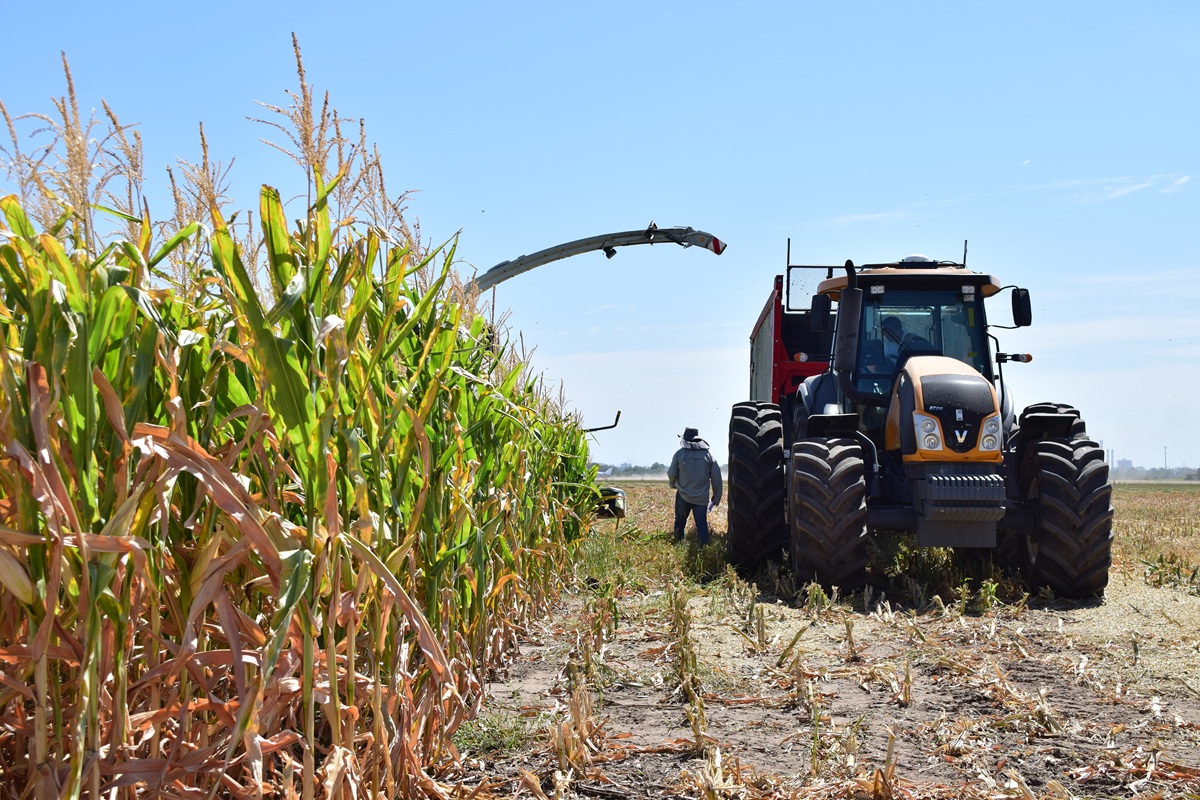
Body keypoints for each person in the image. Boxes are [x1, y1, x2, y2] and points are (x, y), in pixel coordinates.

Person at [668, 427, 722, 545]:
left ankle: (678, 544)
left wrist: (672, 483)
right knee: (701, 524)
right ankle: (704, 547)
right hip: (701, 498)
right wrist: (717, 495)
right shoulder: (708, 455)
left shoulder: (679, 454)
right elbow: (717, 477)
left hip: (683, 495)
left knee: (680, 522)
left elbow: (671, 473)